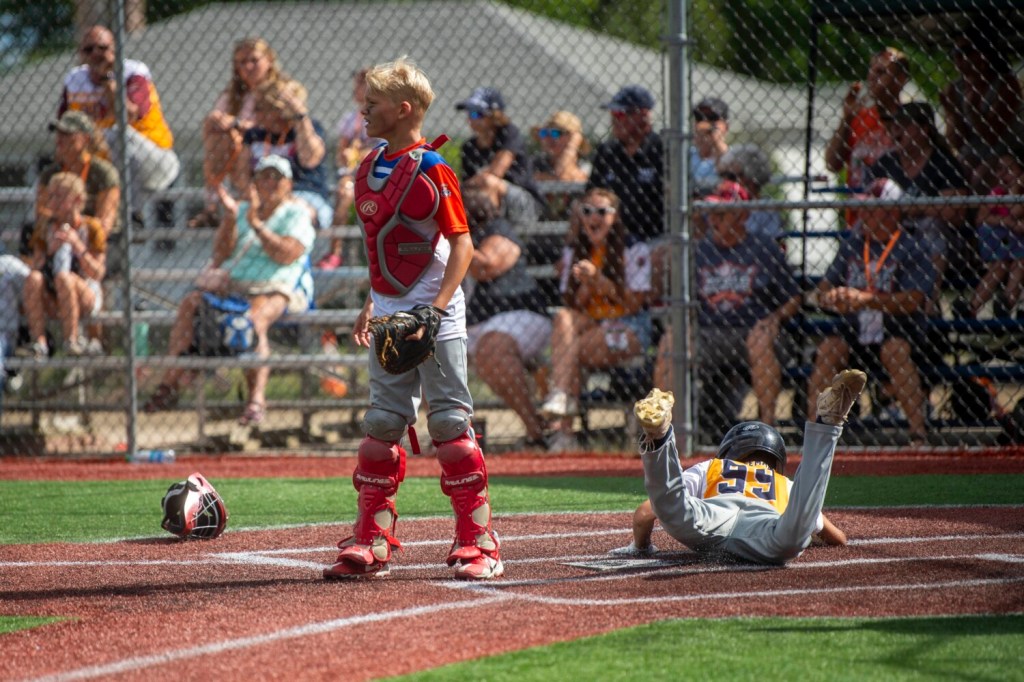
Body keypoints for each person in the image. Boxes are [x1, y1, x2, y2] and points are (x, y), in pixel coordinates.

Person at [323, 56, 502, 581]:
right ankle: (372, 536)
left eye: (373, 104)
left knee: (449, 423)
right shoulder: (366, 168)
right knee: (381, 425)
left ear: (403, 111)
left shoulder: (433, 169)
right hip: (390, 311)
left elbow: (463, 245)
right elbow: (379, 248)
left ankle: (479, 540)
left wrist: (437, 307)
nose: (364, 111)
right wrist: (372, 301)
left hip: (434, 311)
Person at [619, 368, 864, 565]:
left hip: (710, 520)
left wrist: (641, 546)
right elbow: (838, 539)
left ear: (730, 450)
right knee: (801, 519)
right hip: (766, 532)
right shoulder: (782, 483)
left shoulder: (713, 467)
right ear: (776, 460)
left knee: (672, 507)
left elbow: (645, 513)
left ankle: (660, 437)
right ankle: (828, 424)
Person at [143, 155, 315, 425]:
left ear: (288, 184)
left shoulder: (297, 213)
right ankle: (169, 385)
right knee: (191, 303)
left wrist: (258, 225)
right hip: (233, 286)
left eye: (276, 177)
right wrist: (233, 218)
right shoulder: (243, 208)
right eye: (264, 176)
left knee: (253, 320)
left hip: (275, 287)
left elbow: (287, 254)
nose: (269, 182)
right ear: (255, 181)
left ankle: (256, 401)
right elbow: (221, 254)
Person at [653, 180, 801, 435]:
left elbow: (794, 297)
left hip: (753, 331)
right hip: (709, 333)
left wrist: (774, 319)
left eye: (722, 214)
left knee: (760, 339)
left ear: (742, 216)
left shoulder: (764, 247)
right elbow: (683, 301)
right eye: (712, 214)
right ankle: (665, 430)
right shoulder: (701, 250)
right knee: (670, 340)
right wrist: (685, 322)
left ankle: (767, 431)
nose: (714, 221)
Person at [806, 178, 934, 445]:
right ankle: (814, 435)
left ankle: (918, 435)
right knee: (829, 349)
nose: (864, 214)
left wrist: (865, 299)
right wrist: (831, 297)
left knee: (894, 351)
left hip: (897, 328)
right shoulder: (853, 243)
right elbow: (821, 290)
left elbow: (913, 300)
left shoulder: (912, 245)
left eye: (873, 209)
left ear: (892, 212)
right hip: (854, 329)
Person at [539, 188, 653, 453]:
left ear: (615, 217)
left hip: (628, 326)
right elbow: (572, 304)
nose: (594, 217)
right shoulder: (575, 250)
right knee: (563, 318)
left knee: (569, 354)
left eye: (602, 211)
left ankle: (563, 424)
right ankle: (562, 400)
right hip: (589, 325)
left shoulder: (634, 247)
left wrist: (598, 280)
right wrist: (587, 284)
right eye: (587, 211)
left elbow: (634, 304)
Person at [463, 186, 552, 449]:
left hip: (517, 316)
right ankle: (450, 437)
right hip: (469, 324)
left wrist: (454, 239)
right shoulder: (435, 236)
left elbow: (485, 266)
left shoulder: (497, 228)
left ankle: (536, 432)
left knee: (492, 348)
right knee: (425, 352)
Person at [58, 25, 179, 215]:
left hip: (156, 160)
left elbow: (128, 115)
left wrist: (108, 78)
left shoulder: (134, 73)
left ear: (115, 48)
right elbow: (63, 127)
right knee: (62, 159)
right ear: (81, 54)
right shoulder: (74, 80)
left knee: (115, 134)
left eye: (102, 48)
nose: (96, 54)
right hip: (103, 164)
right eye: (88, 49)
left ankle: (132, 214)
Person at [869, 102, 968, 315]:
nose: (896, 130)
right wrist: (929, 204)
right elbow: (869, 207)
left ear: (925, 129)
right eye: (894, 125)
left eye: (904, 124)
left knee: (931, 226)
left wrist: (917, 208)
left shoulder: (943, 163)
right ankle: (875, 299)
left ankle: (925, 304)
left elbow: (956, 213)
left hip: (938, 239)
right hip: (893, 231)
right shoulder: (886, 163)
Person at [190, 37, 287, 228]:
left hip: (271, 149)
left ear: (269, 60)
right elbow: (216, 123)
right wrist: (220, 121)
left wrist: (236, 123)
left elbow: (276, 126)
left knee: (231, 138)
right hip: (236, 152)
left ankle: (218, 204)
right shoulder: (233, 95)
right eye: (242, 62)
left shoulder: (281, 90)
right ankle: (213, 205)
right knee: (215, 130)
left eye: (254, 60)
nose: (248, 67)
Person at [18, 173, 107, 358]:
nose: (53, 201)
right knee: (34, 278)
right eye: (51, 196)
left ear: (77, 199)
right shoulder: (45, 226)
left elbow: (98, 273)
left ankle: (71, 340)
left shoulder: (91, 227)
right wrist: (50, 251)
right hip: (53, 296)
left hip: (84, 292)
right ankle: (39, 342)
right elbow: (35, 267)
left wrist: (77, 246)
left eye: (59, 196)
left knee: (64, 278)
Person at [234, 78, 332, 231]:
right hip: (263, 195)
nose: (255, 113)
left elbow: (309, 160)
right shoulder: (253, 135)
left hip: (305, 194)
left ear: (277, 108)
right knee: (239, 213)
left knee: (295, 213)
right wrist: (253, 195)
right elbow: (241, 177)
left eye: (260, 108)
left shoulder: (309, 128)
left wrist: (300, 116)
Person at [940, 27, 1023, 185]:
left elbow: (992, 136)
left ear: (983, 54)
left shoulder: (1005, 84)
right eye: (955, 52)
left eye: (966, 51)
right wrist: (953, 112)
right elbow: (956, 142)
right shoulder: (955, 88)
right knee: (952, 174)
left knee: (980, 178)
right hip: (972, 151)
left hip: (1007, 149)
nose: (959, 57)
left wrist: (972, 110)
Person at [825, 48, 910, 195]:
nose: (871, 77)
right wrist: (847, 118)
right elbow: (832, 164)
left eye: (881, 72)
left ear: (901, 79)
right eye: (871, 71)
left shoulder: (911, 120)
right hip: (860, 211)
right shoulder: (859, 117)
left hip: (896, 209)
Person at [317, 67, 378, 270]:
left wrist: (364, 153)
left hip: (379, 172)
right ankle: (335, 251)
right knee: (344, 192)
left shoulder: (383, 116)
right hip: (354, 174)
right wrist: (346, 157)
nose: (357, 89)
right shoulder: (351, 119)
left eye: (362, 84)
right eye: (357, 84)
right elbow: (341, 154)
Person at [587, 85, 664, 243]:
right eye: (613, 113)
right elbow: (590, 194)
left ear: (643, 115)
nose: (614, 119)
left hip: (653, 238)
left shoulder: (662, 150)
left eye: (620, 113)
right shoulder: (606, 151)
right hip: (610, 238)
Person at [456, 85, 543, 217]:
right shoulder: (468, 147)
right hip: (485, 199)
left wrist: (465, 186)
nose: (471, 119)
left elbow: (496, 171)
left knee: (489, 182)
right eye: (469, 113)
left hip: (524, 202)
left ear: (494, 115)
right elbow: (469, 182)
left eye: (477, 114)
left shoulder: (509, 133)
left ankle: (493, 228)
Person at [36, 111, 120, 239]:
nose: (59, 138)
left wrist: (75, 225)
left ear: (85, 139)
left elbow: (105, 223)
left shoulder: (103, 172)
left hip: (97, 241)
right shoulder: (50, 173)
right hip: (59, 235)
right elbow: (41, 213)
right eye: (58, 133)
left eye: (67, 133)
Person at [968, 148, 1024, 318]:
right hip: (1001, 245)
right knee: (1000, 266)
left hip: (1020, 248)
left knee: (1020, 263)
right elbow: (981, 217)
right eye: (1000, 169)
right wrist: (1004, 221)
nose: (1003, 174)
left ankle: (1007, 302)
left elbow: (1015, 212)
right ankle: (972, 306)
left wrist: (1016, 187)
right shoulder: (997, 193)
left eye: (1010, 170)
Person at [716, 143, 782, 239]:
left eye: (731, 177)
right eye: (722, 177)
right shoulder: (720, 206)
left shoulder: (766, 210)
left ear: (751, 179)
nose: (725, 183)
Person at [690, 97, 730, 198]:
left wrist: (715, 138)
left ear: (726, 126)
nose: (705, 123)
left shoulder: (733, 156)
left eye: (712, 118)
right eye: (700, 117)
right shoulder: (686, 154)